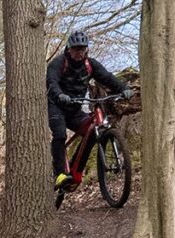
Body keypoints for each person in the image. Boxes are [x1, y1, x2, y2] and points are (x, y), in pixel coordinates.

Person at [47, 30, 133, 189]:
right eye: (76, 49)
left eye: (82, 49)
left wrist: (123, 88)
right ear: (69, 48)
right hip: (57, 107)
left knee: (92, 132)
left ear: (86, 49)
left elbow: (107, 77)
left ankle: (75, 170)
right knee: (59, 135)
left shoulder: (90, 65)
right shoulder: (59, 63)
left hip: (74, 109)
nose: (79, 53)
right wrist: (60, 94)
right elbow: (52, 82)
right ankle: (59, 173)